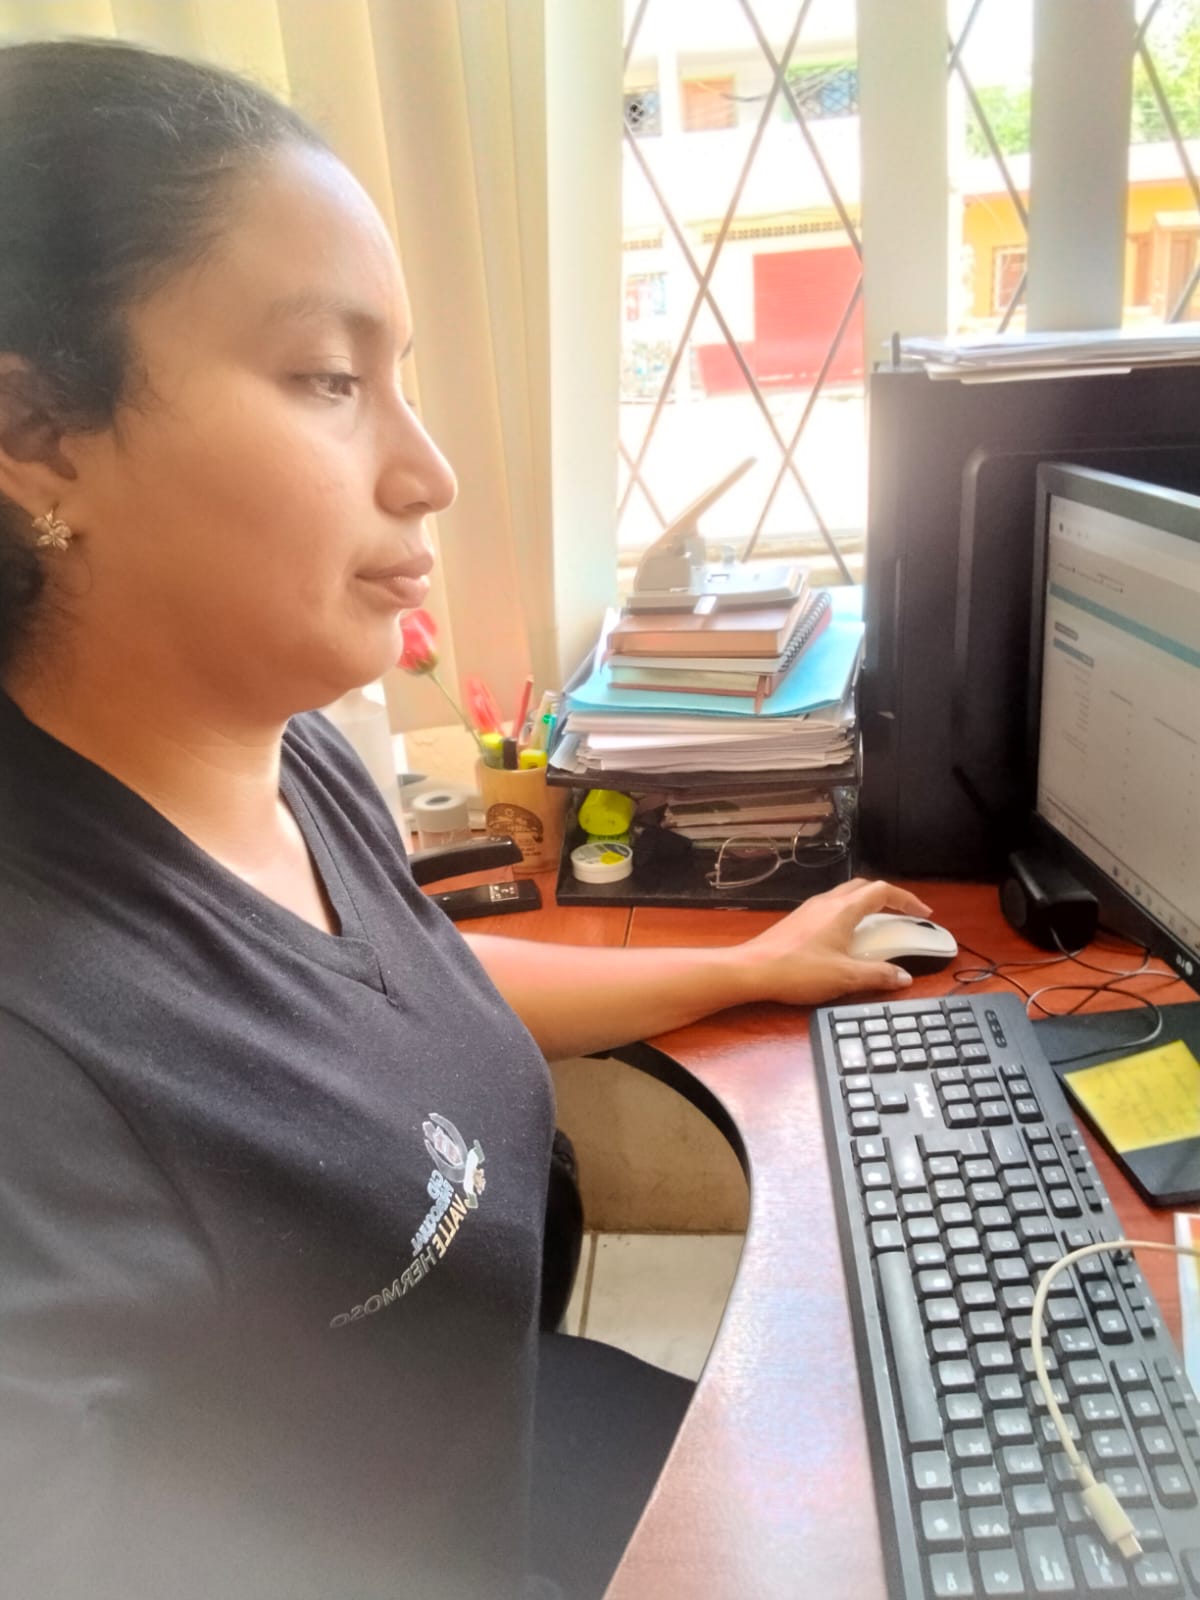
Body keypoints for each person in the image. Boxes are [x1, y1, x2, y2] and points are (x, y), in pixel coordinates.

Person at [0, 36, 930, 1600]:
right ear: (36, 434)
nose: (428, 471)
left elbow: (382, 994)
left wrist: (745, 966)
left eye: (403, 378)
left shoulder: (288, 758)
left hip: (504, 1461)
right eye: (328, 378)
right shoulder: (33, 1066)